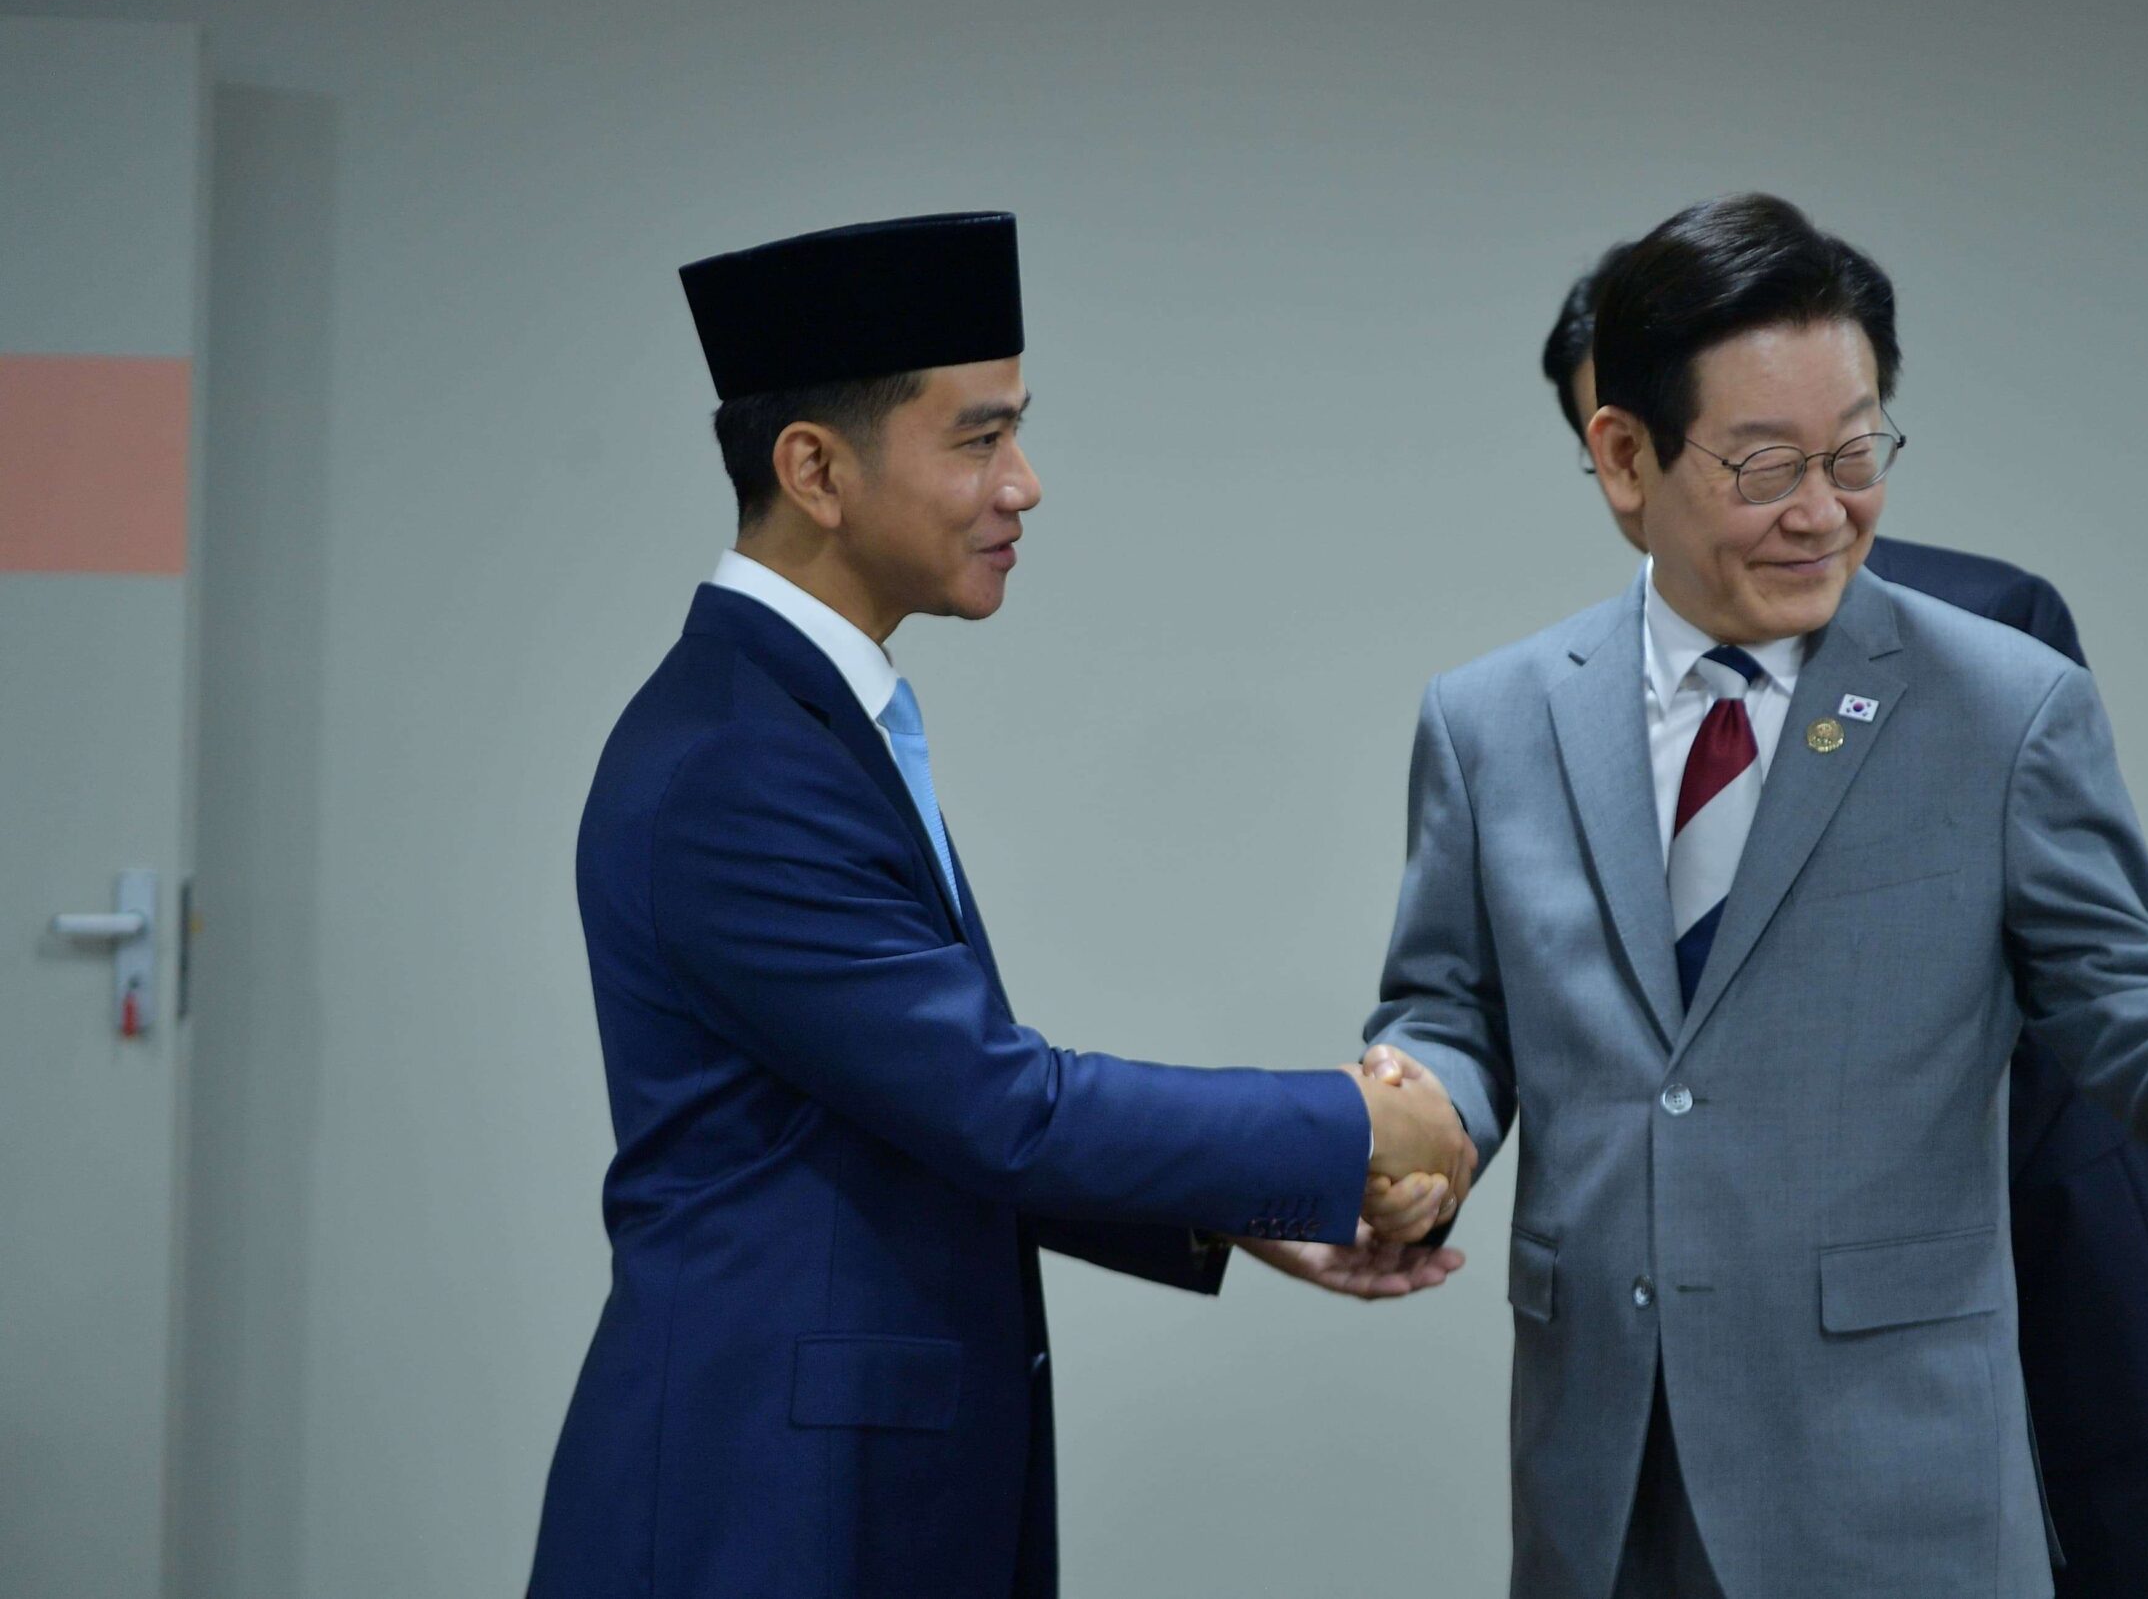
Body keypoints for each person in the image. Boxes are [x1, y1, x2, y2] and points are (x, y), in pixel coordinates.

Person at [1358, 194, 2148, 1597]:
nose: (1825, 509)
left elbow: (2114, 981)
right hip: (1607, 1459)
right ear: (1624, 457)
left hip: (1891, 1463)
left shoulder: (2003, 703)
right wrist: (1401, 1137)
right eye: (1764, 465)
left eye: (1858, 452)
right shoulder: (1491, 719)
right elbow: (1452, 1005)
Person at [526, 212, 1471, 1599]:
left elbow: (901, 1107)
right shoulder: (736, 761)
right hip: (761, 1515)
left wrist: (1235, 1209)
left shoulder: (794, 720)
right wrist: (1354, 1123)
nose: (1023, 484)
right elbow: (1001, 1107)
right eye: (977, 439)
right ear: (815, 469)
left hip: (834, 1487)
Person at [1541, 245, 2148, 1598]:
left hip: (2037, 1260)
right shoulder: (1590, 699)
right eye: (1605, 449)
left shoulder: (1986, 628)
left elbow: (2092, 968)